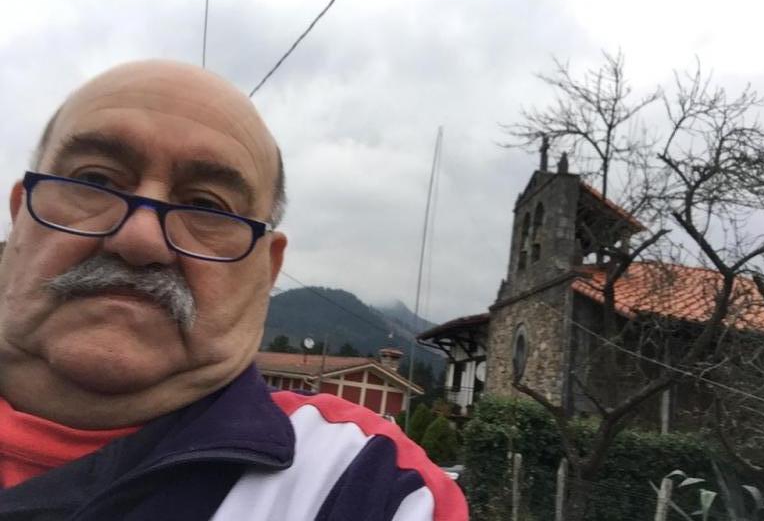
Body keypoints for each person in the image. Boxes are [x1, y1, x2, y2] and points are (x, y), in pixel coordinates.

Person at [0, 60, 468, 520]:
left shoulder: (372, 487)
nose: (140, 238)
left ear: (268, 270)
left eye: (207, 205)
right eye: (95, 180)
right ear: (20, 216)